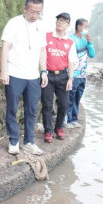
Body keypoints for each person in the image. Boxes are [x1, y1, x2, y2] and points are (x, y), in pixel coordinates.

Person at [0, 0, 48, 155]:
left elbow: (42, 50)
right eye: (32, 11)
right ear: (25, 9)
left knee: (32, 109)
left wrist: (44, 71)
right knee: (12, 108)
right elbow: (5, 48)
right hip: (14, 74)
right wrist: (4, 71)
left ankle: (29, 141)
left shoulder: (41, 27)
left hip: (33, 76)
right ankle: (14, 141)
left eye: (38, 12)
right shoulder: (14, 23)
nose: (34, 15)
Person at [41, 13, 78, 143]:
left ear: (68, 24)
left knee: (64, 104)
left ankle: (59, 127)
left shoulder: (70, 42)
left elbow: (71, 61)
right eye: (59, 20)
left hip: (63, 76)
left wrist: (71, 79)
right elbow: (42, 54)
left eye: (64, 21)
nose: (60, 22)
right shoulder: (47, 36)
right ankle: (48, 130)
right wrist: (43, 72)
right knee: (47, 104)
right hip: (48, 75)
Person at [65, 18, 95, 128]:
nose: (87, 29)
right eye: (85, 26)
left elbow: (92, 55)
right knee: (70, 97)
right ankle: (67, 120)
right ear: (79, 27)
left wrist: (90, 42)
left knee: (78, 97)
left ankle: (74, 119)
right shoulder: (70, 39)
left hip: (83, 75)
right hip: (73, 75)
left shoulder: (85, 40)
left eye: (87, 27)